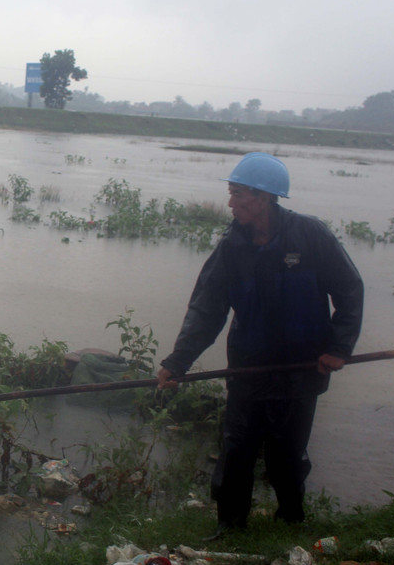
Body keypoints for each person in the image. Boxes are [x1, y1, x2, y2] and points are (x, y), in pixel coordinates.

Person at [155, 152, 364, 540]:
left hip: (302, 368)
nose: (231, 203)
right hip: (249, 364)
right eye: (231, 194)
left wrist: (339, 347)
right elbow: (206, 309)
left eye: (238, 195)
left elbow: (350, 290)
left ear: (264, 197)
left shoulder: (311, 235)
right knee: (237, 447)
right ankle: (230, 524)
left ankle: (290, 519)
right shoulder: (232, 247)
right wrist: (177, 362)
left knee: (288, 451)